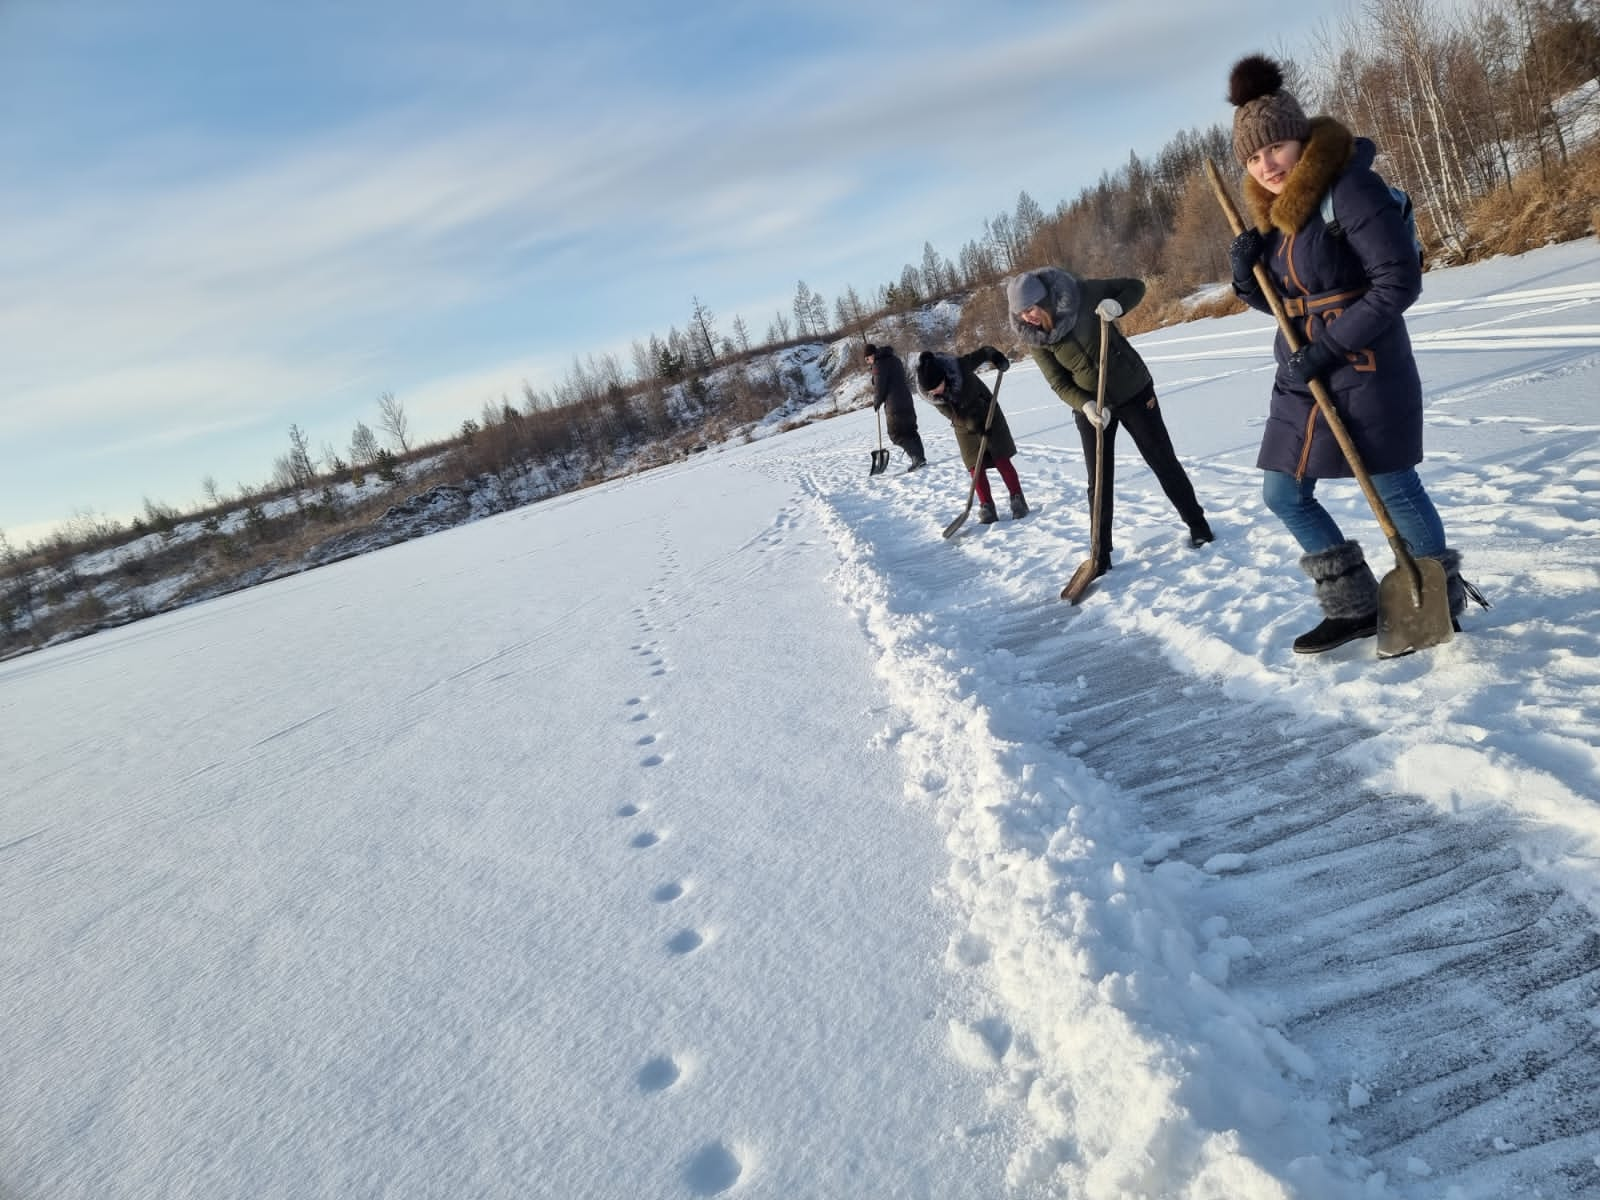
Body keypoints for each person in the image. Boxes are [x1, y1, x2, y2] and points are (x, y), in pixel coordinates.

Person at [1225, 54, 1479, 654]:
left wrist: (1328, 347)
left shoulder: (1350, 188)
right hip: (1304, 374)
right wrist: (1244, 277)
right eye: (1254, 158)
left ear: (1302, 139)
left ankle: (1436, 601)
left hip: (1366, 365)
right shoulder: (1279, 218)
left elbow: (1398, 282)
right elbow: (1291, 304)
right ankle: (1354, 606)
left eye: (1276, 148)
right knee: (1283, 493)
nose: (1267, 166)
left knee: (1394, 485)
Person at [1007, 268, 1213, 574]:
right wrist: (1086, 405)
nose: (1028, 317)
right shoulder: (1035, 339)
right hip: (1092, 406)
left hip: (1133, 390)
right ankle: (1100, 553)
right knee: (1099, 480)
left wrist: (1118, 306)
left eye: (1031, 309)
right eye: (1022, 313)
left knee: (1161, 460)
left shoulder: (1083, 293)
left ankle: (1198, 525)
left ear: (1045, 299)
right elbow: (1059, 383)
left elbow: (1134, 285)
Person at [914, 347, 1025, 524]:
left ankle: (1017, 498)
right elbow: (951, 414)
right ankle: (986, 506)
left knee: (1001, 457)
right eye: (931, 391)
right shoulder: (932, 395)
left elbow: (986, 352)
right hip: (963, 424)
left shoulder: (959, 366)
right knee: (975, 466)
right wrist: (972, 424)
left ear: (944, 377)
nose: (935, 392)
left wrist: (997, 358)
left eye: (937, 387)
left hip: (988, 413)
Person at [864, 344, 925, 471]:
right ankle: (920, 458)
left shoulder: (878, 365)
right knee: (911, 430)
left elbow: (880, 388)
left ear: (872, 355)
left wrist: (876, 402)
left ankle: (916, 458)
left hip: (894, 405)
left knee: (895, 434)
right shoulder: (895, 359)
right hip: (907, 400)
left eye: (867, 359)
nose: (868, 362)